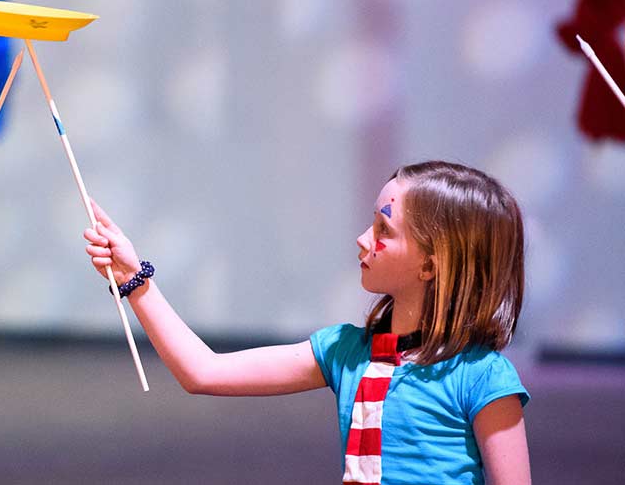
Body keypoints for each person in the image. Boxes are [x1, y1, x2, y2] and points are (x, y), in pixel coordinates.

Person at [83, 161, 531, 484]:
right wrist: (132, 278)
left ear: (431, 266)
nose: (362, 239)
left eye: (383, 231)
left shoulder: (483, 377)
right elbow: (203, 371)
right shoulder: (344, 352)